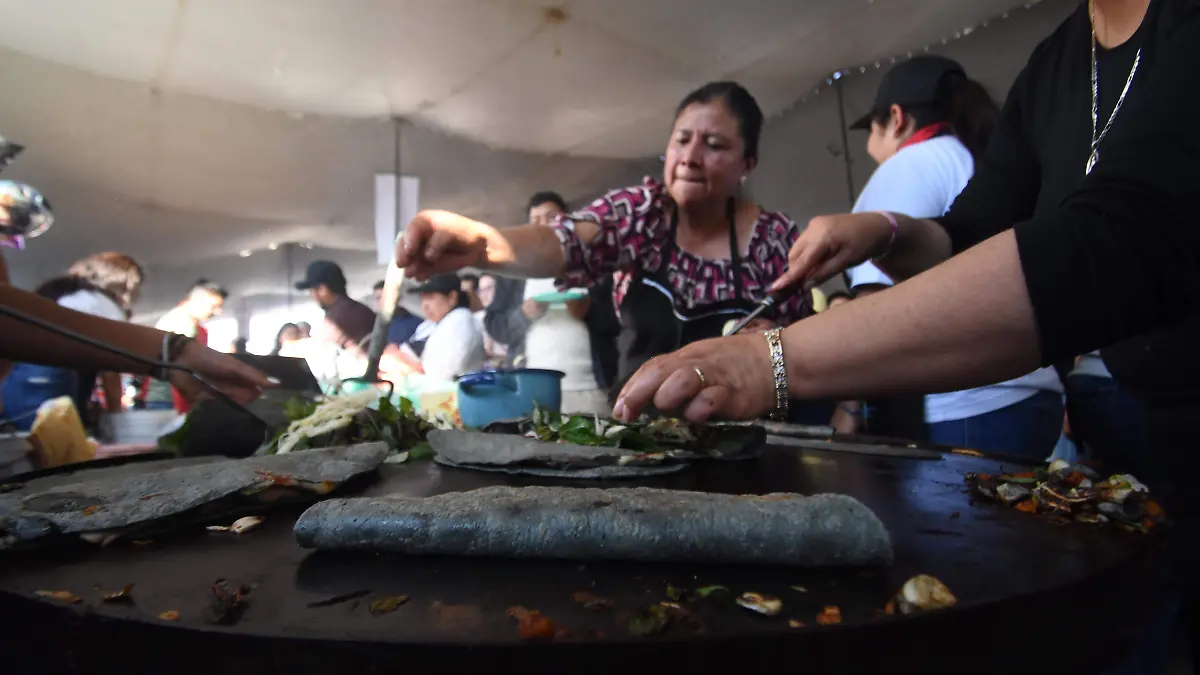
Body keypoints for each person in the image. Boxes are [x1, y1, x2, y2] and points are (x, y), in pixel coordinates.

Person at [616, 1, 1200, 671]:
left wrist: (771, 359)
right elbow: (976, 232)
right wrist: (886, 230)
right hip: (1122, 440)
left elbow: (1114, 248)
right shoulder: (1059, 61)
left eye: (714, 143)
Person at [395, 81, 816, 414]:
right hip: (640, 439)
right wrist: (480, 244)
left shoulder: (774, 239)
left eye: (715, 145)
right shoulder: (641, 214)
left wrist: (775, 347)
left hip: (746, 442)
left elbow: (805, 348)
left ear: (749, 163)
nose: (689, 157)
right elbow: (559, 241)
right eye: (681, 140)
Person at [841, 55, 1065, 459]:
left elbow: (875, 307)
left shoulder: (910, 165)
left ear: (895, 118)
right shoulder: (986, 161)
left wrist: (847, 403)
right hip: (1029, 392)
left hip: (963, 407)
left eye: (870, 131)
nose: (869, 146)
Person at [0, 284, 271, 406]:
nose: (216, 312)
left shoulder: (195, 328)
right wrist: (174, 354)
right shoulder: (181, 321)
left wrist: (175, 354)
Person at [3, 252, 144, 430]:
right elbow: (110, 372)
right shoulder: (105, 306)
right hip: (49, 382)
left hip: (16, 379)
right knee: (57, 444)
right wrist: (117, 418)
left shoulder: (61, 290)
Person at [143, 279, 228, 413]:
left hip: (168, 399)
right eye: (214, 306)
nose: (217, 312)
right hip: (169, 401)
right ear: (197, 301)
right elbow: (181, 369)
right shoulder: (182, 324)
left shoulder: (188, 324)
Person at [379, 273, 484, 382]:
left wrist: (401, 361)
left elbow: (444, 375)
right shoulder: (430, 324)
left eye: (430, 297)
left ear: (452, 297)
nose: (424, 305)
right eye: (423, 298)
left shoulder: (461, 320)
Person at [295, 260, 375, 353]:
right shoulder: (361, 310)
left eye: (311, 290)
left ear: (322, 289)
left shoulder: (334, 318)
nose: (312, 295)